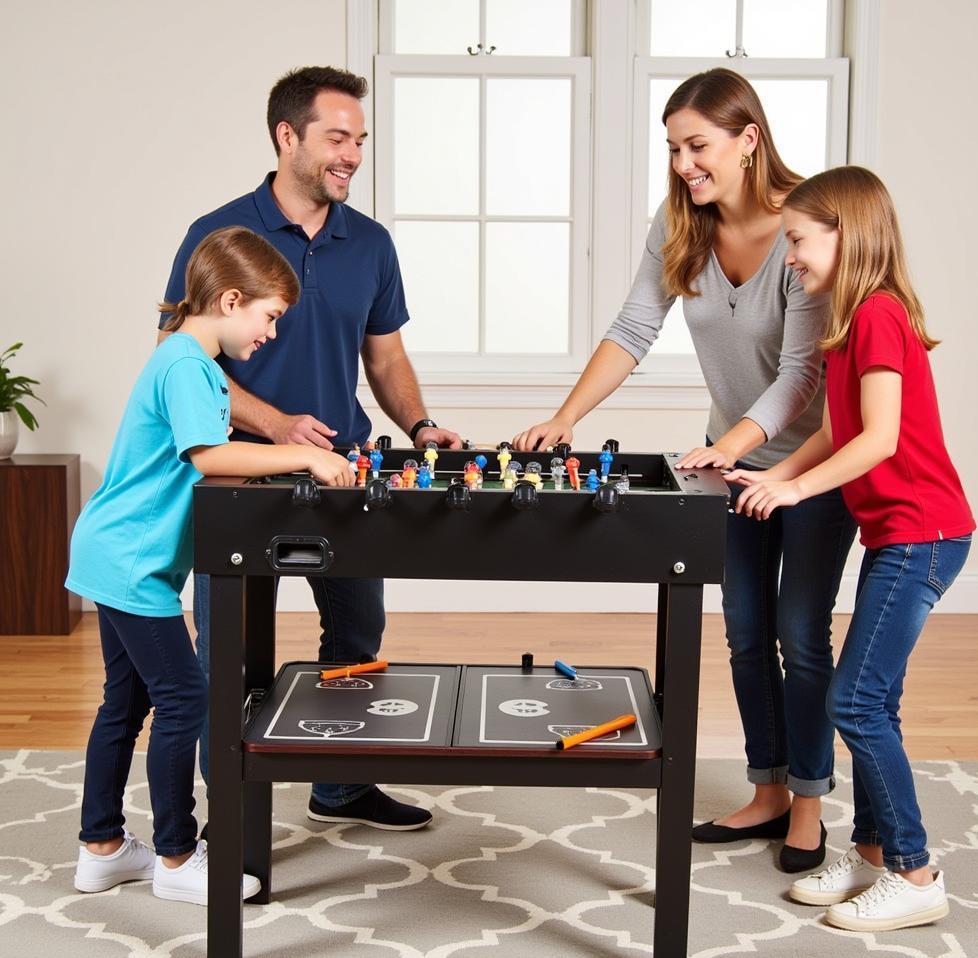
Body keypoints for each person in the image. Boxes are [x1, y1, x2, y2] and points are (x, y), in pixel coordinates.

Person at [514, 68, 856, 871]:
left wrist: (738, 447)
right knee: (743, 634)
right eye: (672, 148)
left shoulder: (805, 222)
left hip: (809, 466)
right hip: (730, 465)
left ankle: (809, 803)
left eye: (696, 145)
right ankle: (768, 790)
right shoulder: (678, 223)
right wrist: (567, 418)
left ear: (749, 139)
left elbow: (803, 373)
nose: (682, 164)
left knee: (801, 636)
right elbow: (633, 327)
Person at [161, 66, 462, 831]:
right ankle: (228, 812)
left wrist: (421, 427)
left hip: (346, 473)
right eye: (337, 137)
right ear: (287, 137)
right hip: (241, 477)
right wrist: (274, 425)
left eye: (359, 140)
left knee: (358, 635)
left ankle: (341, 784)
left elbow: (385, 358)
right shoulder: (220, 234)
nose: (352, 154)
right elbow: (180, 361)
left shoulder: (371, 242)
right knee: (228, 651)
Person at [69, 227, 356, 904]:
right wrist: (305, 455)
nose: (271, 333)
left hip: (115, 552)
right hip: (131, 561)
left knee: (128, 701)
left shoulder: (179, 359)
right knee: (182, 698)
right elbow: (210, 456)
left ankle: (102, 848)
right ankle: (175, 860)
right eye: (269, 316)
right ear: (231, 300)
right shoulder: (189, 366)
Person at [728, 166, 975, 929]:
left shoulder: (877, 315)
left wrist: (798, 494)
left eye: (800, 240)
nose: (791, 257)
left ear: (848, 232)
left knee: (856, 701)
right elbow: (838, 428)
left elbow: (881, 438)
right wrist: (773, 472)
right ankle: (869, 852)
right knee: (878, 698)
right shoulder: (851, 315)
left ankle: (916, 870)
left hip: (925, 535)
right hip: (900, 533)